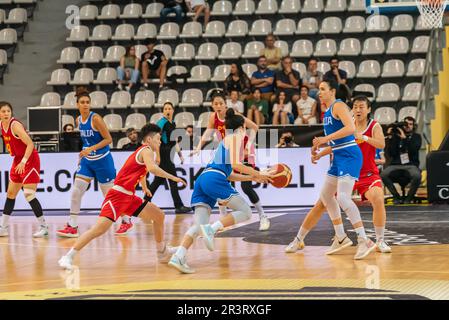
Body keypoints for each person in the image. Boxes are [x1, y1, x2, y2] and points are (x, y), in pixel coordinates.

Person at [58, 123, 186, 270]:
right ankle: (67, 256)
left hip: (129, 198)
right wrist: (173, 177)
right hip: (117, 196)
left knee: (159, 216)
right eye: (158, 138)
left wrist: (144, 187)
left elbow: (141, 171)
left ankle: (161, 252)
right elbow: (151, 168)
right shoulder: (146, 150)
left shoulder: (143, 151)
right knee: (98, 230)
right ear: (149, 139)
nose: (160, 141)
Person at [168, 108, 273, 273]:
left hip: (203, 179)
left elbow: (230, 174)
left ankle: (179, 255)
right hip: (214, 179)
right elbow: (238, 166)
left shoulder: (226, 140)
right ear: (242, 126)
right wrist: (259, 173)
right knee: (245, 212)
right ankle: (213, 228)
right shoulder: (238, 137)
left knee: (199, 225)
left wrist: (252, 178)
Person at [285, 95, 391, 255]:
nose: (357, 110)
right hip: (346, 171)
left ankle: (380, 240)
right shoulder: (348, 125)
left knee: (377, 198)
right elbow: (338, 145)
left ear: (368, 110)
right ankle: (299, 239)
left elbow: (381, 144)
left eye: (361, 107)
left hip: (366, 173)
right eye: (355, 107)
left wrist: (364, 137)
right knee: (322, 203)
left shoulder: (374, 126)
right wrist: (321, 154)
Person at [309, 80, 375, 260]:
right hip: (339, 156)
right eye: (319, 90)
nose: (319, 93)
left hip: (350, 156)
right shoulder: (326, 113)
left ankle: (364, 240)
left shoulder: (338, 106)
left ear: (332, 92)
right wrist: (320, 153)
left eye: (323, 89)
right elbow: (335, 142)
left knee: (344, 197)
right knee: (326, 196)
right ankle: (340, 236)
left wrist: (324, 138)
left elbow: (351, 129)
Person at [192, 93, 270, 231]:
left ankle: (262, 216)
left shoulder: (235, 116)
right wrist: (198, 146)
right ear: (212, 105)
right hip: (229, 152)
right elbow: (207, 133)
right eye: (215, 104)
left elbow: (255, 127)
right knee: (222, 183)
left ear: (225, 104)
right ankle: (223, 221)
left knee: (246, 187)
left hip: (244, 152)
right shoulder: (213, 118)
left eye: (220, 103)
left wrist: (248, 145)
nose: (218, 106)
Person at [57, 87, 116, 238]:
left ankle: (126, 220)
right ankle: (72, 226)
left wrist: (90, 149)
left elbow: (109, 139)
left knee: (110, 197)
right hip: (88, 161)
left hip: (103, 160)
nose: (85, 105)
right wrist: (83, 152)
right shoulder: (78, 120)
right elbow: (86, 141)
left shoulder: (95, 119)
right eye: (82, 102)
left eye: (87, 102)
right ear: (77, 104)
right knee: (76, 191)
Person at [0, 102, 48, 238]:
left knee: (29, 194)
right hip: (18, 160)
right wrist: (19, 161)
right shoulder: (1, 126)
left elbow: (30, 144)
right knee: (10, 194)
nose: (6, 113)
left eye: (8, 111)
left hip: (29, 159)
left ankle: (44, 227)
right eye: (3, 111)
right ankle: (3, 227)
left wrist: (23, 162)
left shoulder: (15, 125)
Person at [148, 102, 192, 214]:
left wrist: (180, 155)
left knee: (158, 180)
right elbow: (155, 140)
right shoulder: (161, 122)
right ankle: (179, 206)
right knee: (173, 179)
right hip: (163, 152)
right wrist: (157, 155)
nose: (167, 110)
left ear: (173, 111)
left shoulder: (172, 123)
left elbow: (174, 142)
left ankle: (144, 202)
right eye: (165, 108)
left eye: (169, 108)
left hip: (169, 153)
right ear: (163, 111)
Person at [381, 116, 422, 204]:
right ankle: (397, 197)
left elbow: (413, 151)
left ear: (413, 126)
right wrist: (391, 137)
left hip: (411, 165)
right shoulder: (396, 137)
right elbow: (391, 153)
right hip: (395, 165)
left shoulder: (416, 137)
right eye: (406, 124)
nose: (408, 126)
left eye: (410, 124)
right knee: (384, 174)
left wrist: (405, 139)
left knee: (417, 176)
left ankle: (409, 198)